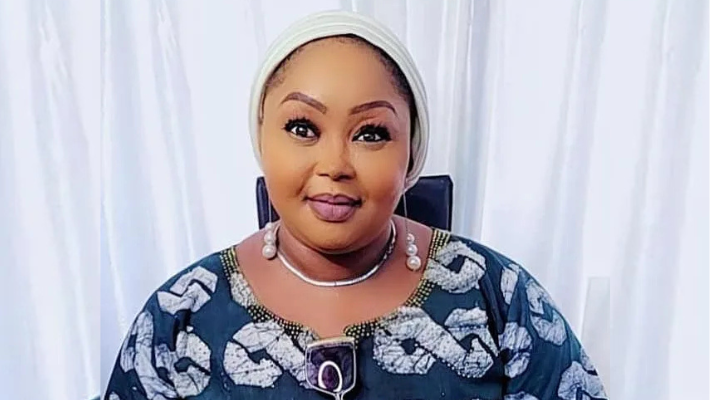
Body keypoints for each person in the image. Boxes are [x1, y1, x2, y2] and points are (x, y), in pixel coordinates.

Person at [105, 10, 607, 400]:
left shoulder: (496, 296)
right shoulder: (182, 316)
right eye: (302, 127)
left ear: (411, 153)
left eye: (370, 133)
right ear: (261, 138)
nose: (335, 164)